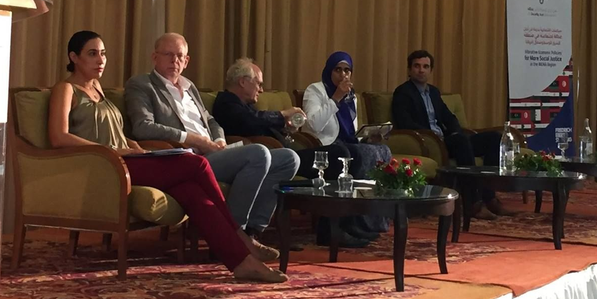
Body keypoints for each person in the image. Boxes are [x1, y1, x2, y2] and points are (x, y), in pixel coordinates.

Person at [47, 31, 286, 283]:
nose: (101, 60)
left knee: (192, 192)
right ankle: (239, 235)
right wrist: (114, 151)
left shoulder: (97, 88)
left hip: (127, 158)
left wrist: (133, 145)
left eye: (103, 53)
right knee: (196, 163)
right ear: (74, 57)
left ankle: (242, 262)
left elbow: (113, 131)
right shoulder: (66, 89)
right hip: (104, 164)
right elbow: (59, 137)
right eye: (92, 54)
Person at [124, 34, 298, 248]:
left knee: (289, 158)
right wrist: (195, 140)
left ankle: (253, 230)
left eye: (180, 56)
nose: (174, 61)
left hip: (213, 152)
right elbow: (143, 127)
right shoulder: (142, 84)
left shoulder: (189, 86)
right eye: (168, 54)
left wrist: (219, 139)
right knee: (258, 153)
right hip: (187, 159)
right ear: (154, 57)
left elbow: (211, 120)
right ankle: (231, 237)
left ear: (186, 61)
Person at [212, 58, 372, 247]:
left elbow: (257, 120)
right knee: (338, 154)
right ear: (242, 82)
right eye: (259, 84)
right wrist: (281, 115)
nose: (261, 90)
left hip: (281, 153)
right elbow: (249, 121)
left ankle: (348, 224)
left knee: (349, 154)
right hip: (267, 157)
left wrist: (285, 129)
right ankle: (329, 231)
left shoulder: (246, 105)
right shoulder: (226, 102)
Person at [391, 50, 506, 219]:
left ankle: (489, 198)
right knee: (461, 142)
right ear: (409, 70)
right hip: (430, 142)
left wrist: (455, 131)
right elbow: (405, 123)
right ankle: (473, 204)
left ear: (430, 70)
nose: (421, 70)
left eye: (425, 67)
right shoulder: (403, 92)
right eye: (417, 66)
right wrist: (433, 136)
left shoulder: (433, 92)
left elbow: (449, 117)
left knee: (494, 138)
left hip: (448, 140)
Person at [302, 51, 393, 235]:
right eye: (338, 70)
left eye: (347, 70)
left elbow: (351, 132)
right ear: (329, 70)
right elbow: (314, 125)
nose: (343, 75)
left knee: (382, 150)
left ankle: (371, 219)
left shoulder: (351, 96)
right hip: (324, 148)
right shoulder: (315, 90)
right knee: (358, 154)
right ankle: (351, 222)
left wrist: (368, 138)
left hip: (347, 145)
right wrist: (335, 98)